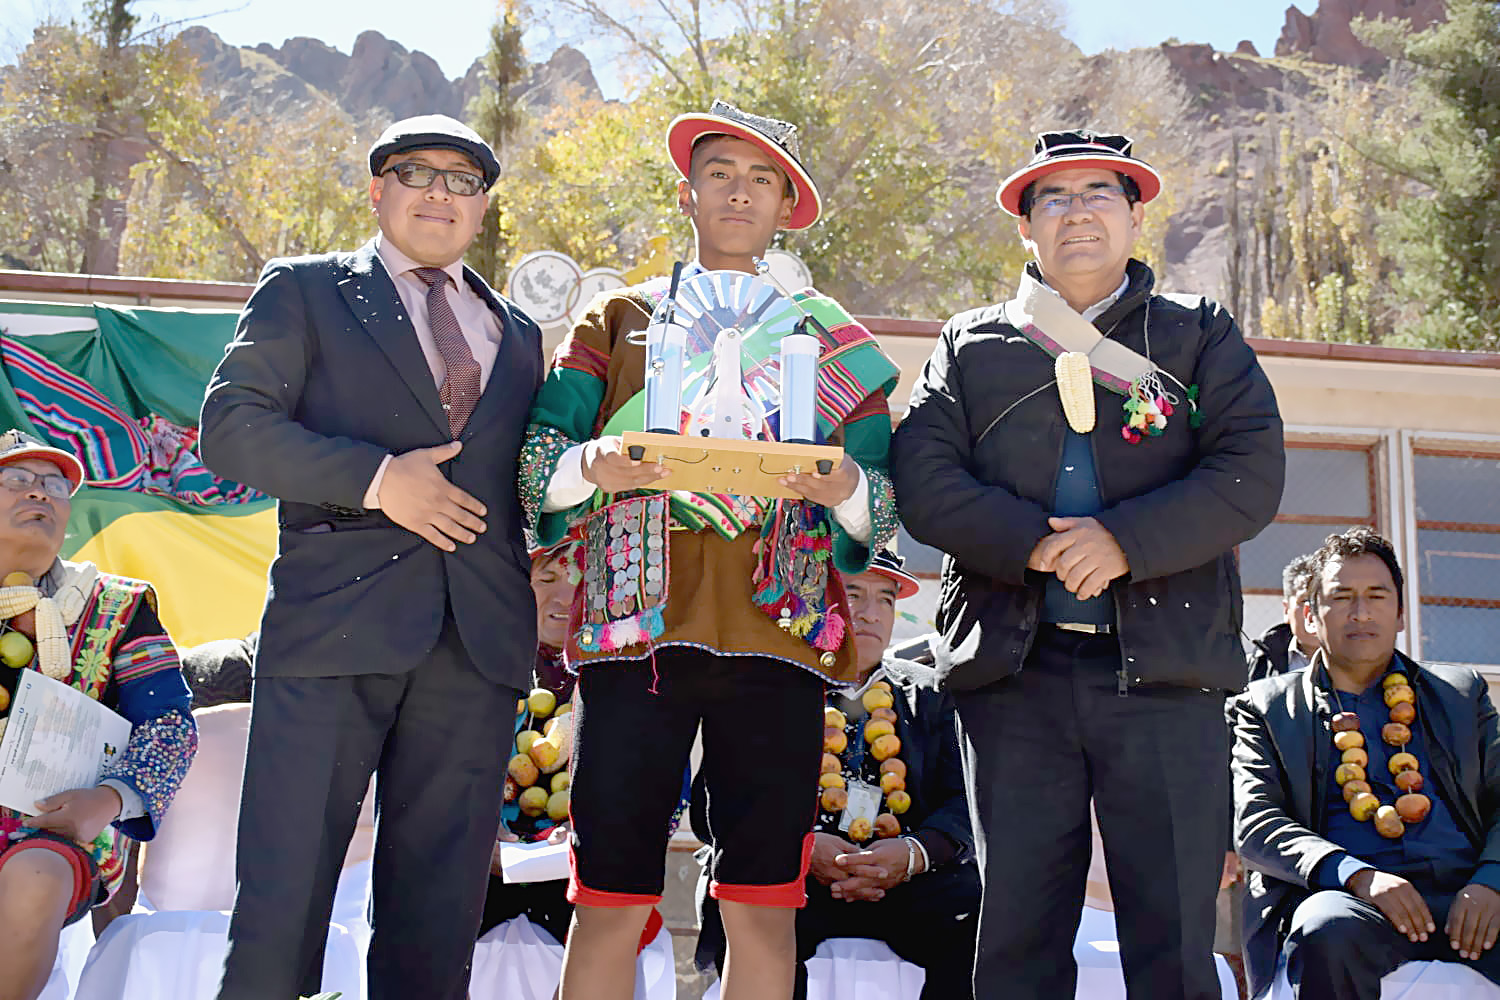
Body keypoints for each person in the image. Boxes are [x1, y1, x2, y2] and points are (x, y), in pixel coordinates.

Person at [517, 100, 900, 1000]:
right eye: (720, 174)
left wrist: (843, 487)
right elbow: (537, 462)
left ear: (787, 206)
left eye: (762, 179)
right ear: (687, 193)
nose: (739, 193)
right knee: (608, 896)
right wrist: (591, 466)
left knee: (764, 904)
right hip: (634, 637)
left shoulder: (829, 337)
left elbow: (883, 508)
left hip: (779, 636)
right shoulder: (618, 317)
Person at [890, 128, 1285, 1000]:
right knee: (1017, 942)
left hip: (1169, 675)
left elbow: (1250, 473)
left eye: (1099, 193)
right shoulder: (970, 343)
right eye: (1055, 198)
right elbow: (924, 480)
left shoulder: (1198, 334)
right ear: (1025, 225)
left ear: (1137, 216)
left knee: (1174, 944)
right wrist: (1036, 543)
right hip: (1014, 674)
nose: (1078, 214)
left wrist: (1123, 542)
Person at [199, 114, 545, 1000]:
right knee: (282, 905)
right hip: (332, 630)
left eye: (463, 181)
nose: (440, 193)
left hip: (477, 646)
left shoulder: (520, 334)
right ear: (377, 190)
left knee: (437, 921)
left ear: (482, 208)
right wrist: (379, 479)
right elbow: (231, 428)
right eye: (417, 172)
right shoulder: (307, 290)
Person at [694, 550, 979, 999]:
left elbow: (968, 799)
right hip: (792, 878)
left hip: (907, 881)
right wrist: (801, 848)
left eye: (885, 599)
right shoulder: (765, 686)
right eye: (854, 594)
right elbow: (716, 802)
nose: (871, 613)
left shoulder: (934, 691)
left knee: (978, 907)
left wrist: (913, 853)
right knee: (748, 887)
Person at [1230, 527, 1500, 998]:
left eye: (1377, 596)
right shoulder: (1265, 707)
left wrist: (1491, 881)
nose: (1360, 613)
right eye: (1342, 597)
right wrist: (1356, 875)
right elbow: (1256, 824)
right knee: (1325, 928)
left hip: (1467, 894)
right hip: (1349, 902)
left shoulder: (1461, 693)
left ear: (1400, 613)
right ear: (1310, 615)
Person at [0, 429, 197, 1000]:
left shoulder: (119, 606)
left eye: (55, 485)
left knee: (38, 874)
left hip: (50, 834)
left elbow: (170, 729)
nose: (39, 492)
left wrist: (107, 801)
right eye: (17, 479)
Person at [1247, 553, 1318, 682]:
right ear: (1287, 610)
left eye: (1321, 601)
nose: (1313, 611)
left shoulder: (1356, 661)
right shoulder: (1258, 662)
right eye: (1305, 601)